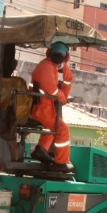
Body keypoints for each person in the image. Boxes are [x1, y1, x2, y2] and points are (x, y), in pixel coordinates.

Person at [29, 41, 74, 170]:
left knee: (52, 126)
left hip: (43, 107)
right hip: (41, 109)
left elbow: (67, 80)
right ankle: (61, 163)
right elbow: (52, 90)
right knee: (62, 129)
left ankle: (41, 149)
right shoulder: (47, 68)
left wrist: (65, 69)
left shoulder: (48, 66)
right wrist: (63, 97)